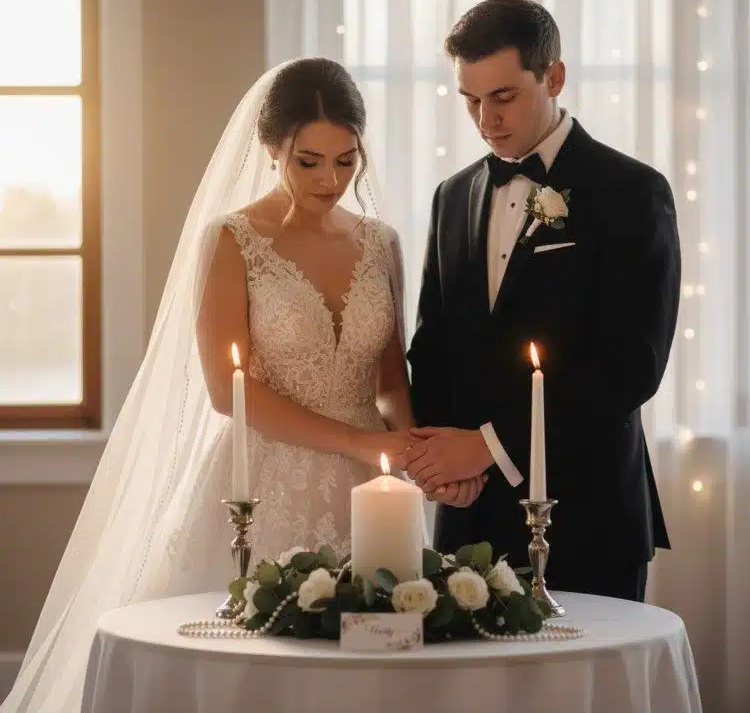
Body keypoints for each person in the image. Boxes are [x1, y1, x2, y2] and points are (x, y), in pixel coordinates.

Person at [2, 57, 481, 713]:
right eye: (308, 160)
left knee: (377, 667)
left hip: (373, 488)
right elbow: (227, 390)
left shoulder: (381, 243)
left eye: (346, 160)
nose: (330, 179)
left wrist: (412, 453)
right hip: (262, 481)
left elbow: (392, 376)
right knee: (257, 668)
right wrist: (362, 443)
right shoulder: (233, 239)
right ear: (271, 147)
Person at [403, 0, 680, 602]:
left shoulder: (632, 192)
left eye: (502, 97)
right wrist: (444, 465)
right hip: (468, 519)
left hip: (586, 515)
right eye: (470, 100)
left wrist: (488, 447)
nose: (485, 121)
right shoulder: (452, 197)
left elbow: (630, 367)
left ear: (553, 76)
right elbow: (433, 345)